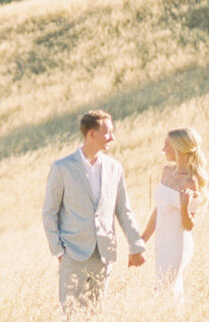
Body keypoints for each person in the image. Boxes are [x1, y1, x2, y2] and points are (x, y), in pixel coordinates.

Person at [41, 110, 146, 308]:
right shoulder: (62, 168)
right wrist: (59, 252)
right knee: (71, 317)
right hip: (72, 255)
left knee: (97, 316)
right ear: (91, 134)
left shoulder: (115, 168)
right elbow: (49, 213)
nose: (112, 138)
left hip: (104, 255)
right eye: (107, 132)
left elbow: (124, 210)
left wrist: (136, 245)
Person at [141, 127, 209, 307]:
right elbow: (159, 210)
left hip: (177, 244)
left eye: (166, 145)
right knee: (163, 288)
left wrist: (185, 206)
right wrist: (142, 240)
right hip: (161, 242)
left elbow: (189, 225)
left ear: (178, 149)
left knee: (166, 289)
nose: (163, 150)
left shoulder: (190, 182)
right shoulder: (166, 172)